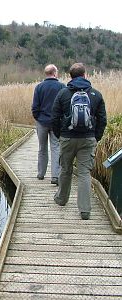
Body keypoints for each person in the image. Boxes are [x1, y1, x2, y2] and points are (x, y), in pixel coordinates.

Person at [52, 62, 107, 220]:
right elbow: (103, 120)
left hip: (67, 138)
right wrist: (95, 137)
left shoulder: (63, 94)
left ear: (70, 76)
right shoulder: (96, 94)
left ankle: (61, 199)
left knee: (65, 169)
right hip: (88, 139)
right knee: (84, 173)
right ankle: (84, 210)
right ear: (85, 75)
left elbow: (54, 118)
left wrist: (60, 135)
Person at [32, 64, 65, 185]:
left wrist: (38, 118)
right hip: (56, 123)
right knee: (55, 148)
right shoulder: (61, 87)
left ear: (46, 73)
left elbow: (35, 107)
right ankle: (55, 176)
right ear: (55, 73)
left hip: (42, 122)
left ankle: (41, 173)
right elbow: (64, 105)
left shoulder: (39, 87)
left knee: (42, 148)